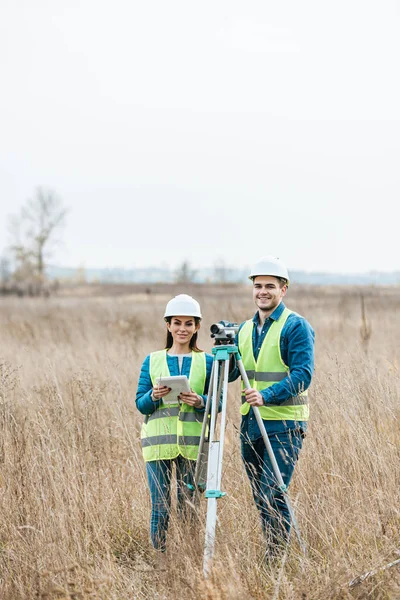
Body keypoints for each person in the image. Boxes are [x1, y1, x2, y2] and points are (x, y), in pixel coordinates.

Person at [229, 255, 315, 559]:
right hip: (250, 425)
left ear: (283, 290)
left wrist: (268, 395)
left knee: (272, 492)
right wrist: (221, 355)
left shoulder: (295, 326)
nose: (262, 291)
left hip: (285, 424)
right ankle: (275, 550)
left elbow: (302, 374)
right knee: (260, 497)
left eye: (270, 286)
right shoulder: (243, 330)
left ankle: (276, 560)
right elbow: (232, 374)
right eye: (258, 286)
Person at [136, 294, 214, 562]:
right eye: (177, 323)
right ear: (168, 325)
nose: (183, 329)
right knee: (160, 506)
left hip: (193, 446)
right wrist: (154, 396)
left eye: (189, 323)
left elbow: (220, 403)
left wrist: (201, 400)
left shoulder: (209, 361)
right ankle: (159, 559)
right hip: (157, 445)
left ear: (197, 327)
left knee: (188, 506)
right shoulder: (152, 360)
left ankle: (190, 558)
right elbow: (141, 404)